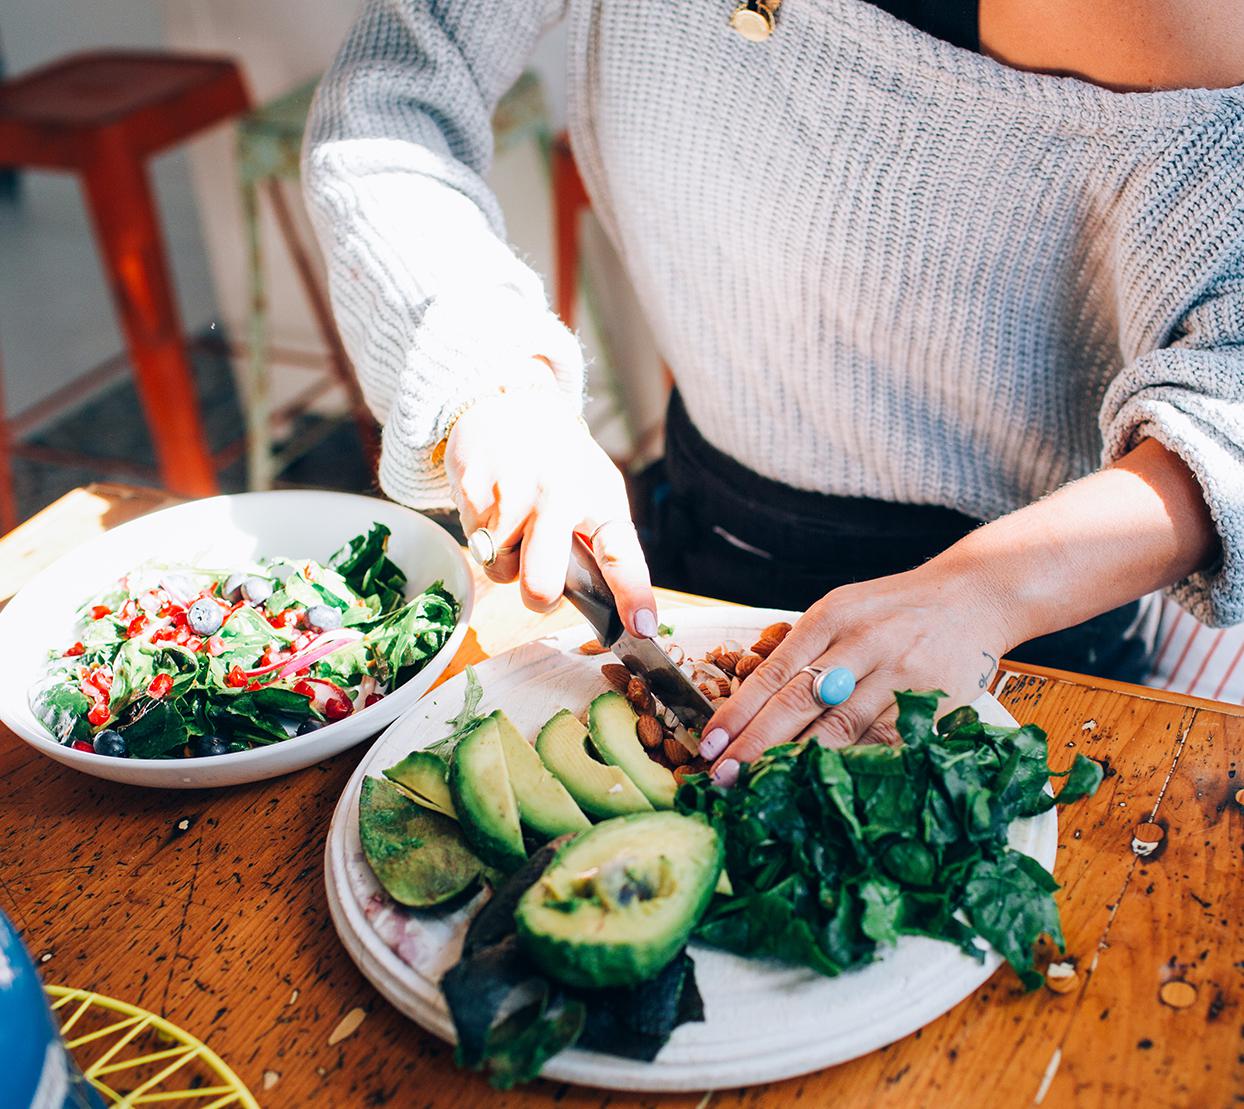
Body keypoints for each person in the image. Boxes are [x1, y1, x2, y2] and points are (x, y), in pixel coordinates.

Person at [303, 0, 1243, 786]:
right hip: (691, 562)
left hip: (1020, 640)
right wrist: (487, 376)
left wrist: (982, 593)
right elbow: (391, 95)